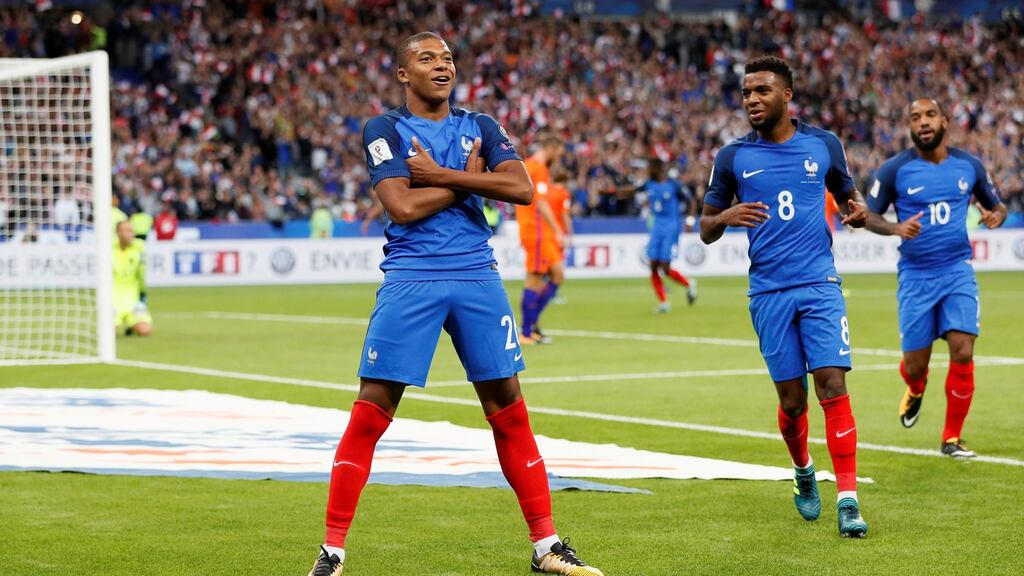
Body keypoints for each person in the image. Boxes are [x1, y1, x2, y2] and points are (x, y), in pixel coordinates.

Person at [305, 32, 603, 576]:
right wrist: (477, 180)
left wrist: (442, 176)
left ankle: (546, 547)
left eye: (446, 58)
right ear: (403, 74)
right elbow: (400, 205)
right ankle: (332, 552)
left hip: (476, 276)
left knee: (509, 408)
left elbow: (521, 189)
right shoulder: (384, 129)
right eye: (427, 59)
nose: (442, 65)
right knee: (372, 409)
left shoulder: (482, 124)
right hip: (412, 278)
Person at [699, 56, 869, 537]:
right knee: (793, 403)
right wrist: (724, 218)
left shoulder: (824, 144)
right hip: (769, 292)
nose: (752, 99)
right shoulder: (732, 157)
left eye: (762, 91)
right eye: (747, 92)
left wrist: (857, 213)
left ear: (787, 96)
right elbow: (705, 228)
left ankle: (849, 499)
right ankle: (802, 470)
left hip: (820, 284)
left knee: (832, 385)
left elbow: (850, 199)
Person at [865, 98, 1007, 458]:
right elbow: (869, 216)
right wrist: (896, 226)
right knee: (916, 366)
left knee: (963, 350)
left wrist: (997, 216)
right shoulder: (894, 170)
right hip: (915, 276)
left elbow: (997, 204)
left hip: (957, 270)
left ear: (945, 120)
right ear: (909, 127)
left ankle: (951, 438)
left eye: (930, 115)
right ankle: (915, 388)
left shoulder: (969, 166)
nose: (923, 123)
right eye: (915, 118)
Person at [516, 136, 566, 344]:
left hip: (536, 231)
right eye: (559, 154)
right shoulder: (539, 168)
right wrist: (558, 230)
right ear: (552, 149)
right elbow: (541, 203)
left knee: (557, 275)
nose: (559, 159)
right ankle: (526, 332)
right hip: (536, 231)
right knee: (534, 280)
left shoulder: (526, 166)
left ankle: (532, 324)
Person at [638, 158, 697, 312]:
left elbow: (691, 201)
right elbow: (631, 190)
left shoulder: (674, 185)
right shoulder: (648, 184)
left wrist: (690, 220)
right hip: (656, 227)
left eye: (650, 167)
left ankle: (689, 284)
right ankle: (664, 303)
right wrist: (611, 191)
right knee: (652, 266)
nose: (647, 171)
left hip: (671, 228)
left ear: (657, 168)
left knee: (665, 267)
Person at [113, 219, 152, 336]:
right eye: (128, 231)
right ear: (118, 232)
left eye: (132, 231)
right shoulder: (108, 249)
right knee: (109, 335)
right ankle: (120, 324)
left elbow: (141, 274)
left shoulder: (139, 248)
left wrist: (143, 295)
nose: (132, 234)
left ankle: (131, 324)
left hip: (132, 300)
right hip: (113, 300)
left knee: (145, 330)